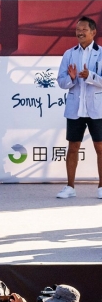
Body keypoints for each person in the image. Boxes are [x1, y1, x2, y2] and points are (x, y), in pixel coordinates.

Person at [56, 16, 102, 199]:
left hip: (97, 109)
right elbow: (61, 81)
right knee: (73, 146)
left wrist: (90, 76)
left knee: (100, 147)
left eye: (84, 29)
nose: (80, 32)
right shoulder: (69, 54)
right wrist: (73, 78)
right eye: (77, 29)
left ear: (93, 32)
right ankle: (70, 187)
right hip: (76, 108)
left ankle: (101, 187)